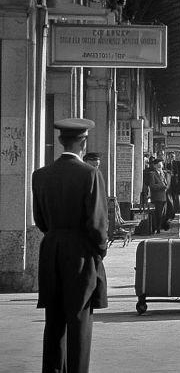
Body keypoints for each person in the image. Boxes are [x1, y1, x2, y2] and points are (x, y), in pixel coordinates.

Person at [32, 118, 108, 372]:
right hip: (80, 253)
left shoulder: (40, 176)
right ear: (83, 143)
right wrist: (100, 249)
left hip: (51, 250)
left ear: (61, 141)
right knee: (79, 321)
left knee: (53, 321)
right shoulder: (90, 174)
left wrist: (56, 235)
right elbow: (97, 223)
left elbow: (40, 219)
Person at [148, 157, 171, 234]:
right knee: (158, 214)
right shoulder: (152, 174)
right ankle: (157, 228)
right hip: (157, 197)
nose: (160, 166)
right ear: (155, 166)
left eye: (161, 165)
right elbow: (152, 186)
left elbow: (167, 183)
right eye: (158, 165)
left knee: (163, 214)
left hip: (164, 196)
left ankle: (160, 227)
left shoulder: (164, 174)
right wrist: (162, 186)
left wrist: (166, 186)